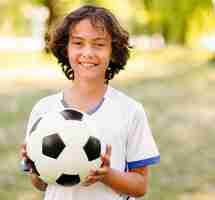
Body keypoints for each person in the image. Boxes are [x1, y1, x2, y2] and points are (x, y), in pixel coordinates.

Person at [20, 5, 160, 200]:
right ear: (65, 48)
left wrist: (107, 175)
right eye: (78, 43)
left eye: (99, 44)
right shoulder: (44, 110)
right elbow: (41, 185)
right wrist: (35, 166)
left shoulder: (130, 111)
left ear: (113, 51)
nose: (88, 52)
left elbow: (140, 186)